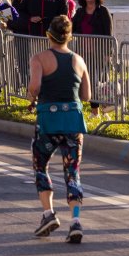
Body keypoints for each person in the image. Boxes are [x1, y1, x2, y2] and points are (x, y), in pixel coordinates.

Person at [28, 14, 91, 243]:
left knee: (40, 165)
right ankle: (75, 221)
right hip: (73, 122)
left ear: (48, 34)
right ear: (69, 36)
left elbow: (35, 87)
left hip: (49, 121)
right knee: (72, 172)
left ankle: (48, 214)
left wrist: (31, 95)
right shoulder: (79, 60)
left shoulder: (39, 58)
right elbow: (86, 95)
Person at [71, 0, 113, 116]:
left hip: (99, 52)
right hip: (83, 52)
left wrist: (108, 53)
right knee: (88, 81)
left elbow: (108, 33)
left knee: (101, 81)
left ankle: (105, 108)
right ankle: (95, 110)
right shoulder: (80, 12)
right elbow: (72, 28)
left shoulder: (103, 11)